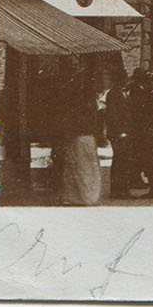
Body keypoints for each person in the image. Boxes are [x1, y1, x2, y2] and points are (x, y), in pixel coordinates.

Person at [54, 63, 102, 206]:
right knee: (86, 167)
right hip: (87, 138)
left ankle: (81, 196)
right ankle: (86, 195)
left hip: (79, 138)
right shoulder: (91, 103)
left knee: (79, 168)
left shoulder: (77, 104)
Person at [127, 68, 153, 198]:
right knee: (152, 161)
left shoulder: (142, 93)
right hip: (151, 133)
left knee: (151, 161)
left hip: (146, 133)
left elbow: (137, 114)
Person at [103, 72, 134, 199]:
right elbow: (113, 115)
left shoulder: (120, 93)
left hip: (123, 132)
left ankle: (122, 189)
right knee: (119, 161)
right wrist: (121, 132)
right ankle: (118, 190)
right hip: (119, 133)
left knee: (123, 161)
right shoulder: (113, 94)